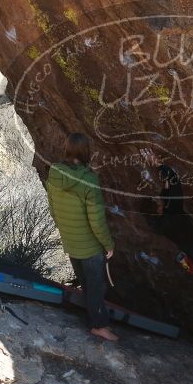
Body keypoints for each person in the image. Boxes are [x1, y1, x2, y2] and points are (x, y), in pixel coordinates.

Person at [46, 133, 118, 341]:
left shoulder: (55, 172)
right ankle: (99, 326)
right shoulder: (89, 180)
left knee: (86, 284)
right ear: (86, 151)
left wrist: (65, 230)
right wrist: (108, 244)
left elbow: (52, 207)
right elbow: (96, 220)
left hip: (70, 241)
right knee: (96, 286)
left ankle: (93, 318)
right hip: (90, 247)